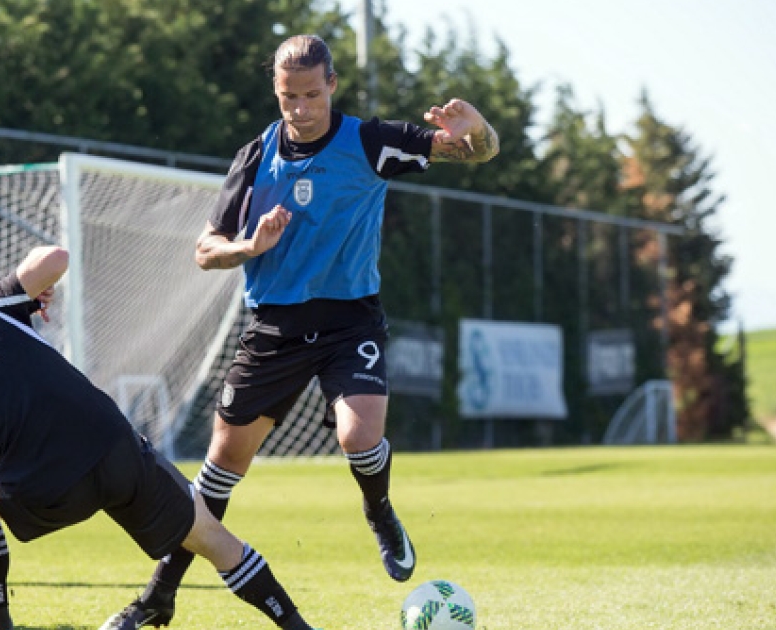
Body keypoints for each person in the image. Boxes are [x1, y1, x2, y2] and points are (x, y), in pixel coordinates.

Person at [107, 33, 500, 626]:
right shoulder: (255, 156)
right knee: (220, 467)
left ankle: (379, 511)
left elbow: (474, 151)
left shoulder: (370, 142)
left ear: (332, 85)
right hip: (275, 326)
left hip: (349, 319)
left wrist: (478, 128)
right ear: (276, 91)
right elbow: (205, 250)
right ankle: (160, 595)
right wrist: (249, 246)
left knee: (359, 437)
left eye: (312, 94)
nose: (301, 107)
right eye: (289, 96)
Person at [0, 245, 321, 630]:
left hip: (50, 489)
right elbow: (56, 257)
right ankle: (296, 625)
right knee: (212, 538)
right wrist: (31, 289)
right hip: (114, 447)